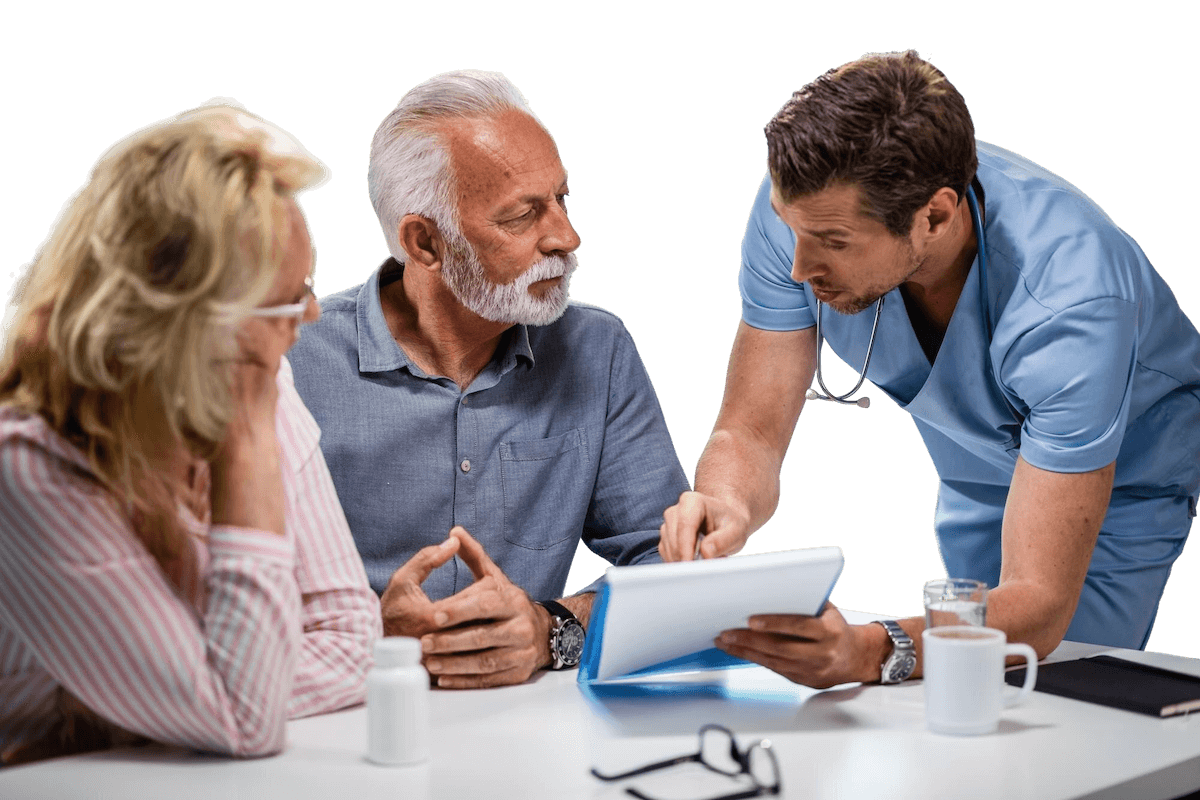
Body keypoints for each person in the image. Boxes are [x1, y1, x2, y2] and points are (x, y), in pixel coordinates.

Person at [659, 50, 1200, 688]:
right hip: (973, 476)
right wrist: (723, 503)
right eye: (792, 230)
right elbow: (749, 429)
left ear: (935, 217)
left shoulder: (1071, 297)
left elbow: (1040, 604)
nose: (799, 268)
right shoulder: (806, 209)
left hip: (1118, 489)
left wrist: (867, 651)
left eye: (832, 242)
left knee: (1054, 699)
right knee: (953, 694)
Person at [0, 100, 381, 765]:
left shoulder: (262, 378)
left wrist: (122, 709)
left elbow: (351, 638)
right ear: (183, 322)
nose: (312, 316)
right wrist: (247, 449)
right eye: (288, 299)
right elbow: (244, 719)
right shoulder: (28, 462)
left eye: (310, 286)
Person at [287, 70, 689, 689]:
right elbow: (216, 586)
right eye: (522, 216)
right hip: (335, 721)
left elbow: (672, 566)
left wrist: (552, 628)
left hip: (531, 733)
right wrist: (375, 640)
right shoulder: (288, 359)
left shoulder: (596, 348)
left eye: (561, 200)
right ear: (424, 243)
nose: (566, 237)